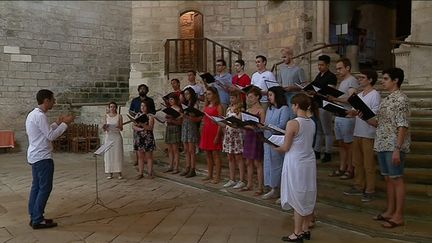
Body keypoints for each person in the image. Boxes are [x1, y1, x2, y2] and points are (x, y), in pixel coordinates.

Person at [366, 68, 410, 229]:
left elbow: (403, 125)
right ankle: (390, 211)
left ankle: (398, 215)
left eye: (385, 78)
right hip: (383, 143)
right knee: (388, 179)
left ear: (395, 80)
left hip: (394, 145)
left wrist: (398, 148)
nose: (382, 81)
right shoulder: (387, 99)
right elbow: (377, 122)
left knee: (397, 179)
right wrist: (362, 115)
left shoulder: (401, 99)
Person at [26, 89, 74, 229]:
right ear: (46, 100)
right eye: (53, 100)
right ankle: (37, 219)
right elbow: (50, 136)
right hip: (42, 157)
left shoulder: (33, 114)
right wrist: (66, 124)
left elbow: (44, 132)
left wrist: (57, 123)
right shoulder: (40, 116)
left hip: (35, 155)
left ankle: (34, 215)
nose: (54, 102)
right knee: (45, 188)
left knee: (36, 187)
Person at [275, 93, 316, 242]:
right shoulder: (311, 122)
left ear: (296, 105)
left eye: (293, 105)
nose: (292, 107)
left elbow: (286, 147)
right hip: (308, 161)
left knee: (297, 194)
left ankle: (297, 232)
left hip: (296, 162)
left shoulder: (293, 123)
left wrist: (272, 145)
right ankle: (305, 228)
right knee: (306, 193)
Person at [343, 70, 380, 202]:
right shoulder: (359, 95)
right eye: (359, 77)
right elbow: (354, 111)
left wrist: (362, 113)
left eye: (362, 77)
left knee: (368, 163)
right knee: (357, 161)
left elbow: (374, 113)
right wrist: (344, 111)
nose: (359, 80)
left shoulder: (375, 94)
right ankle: (359, 185)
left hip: (368, 133)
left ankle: (370, 189)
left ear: (370, 80)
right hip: (357, 132)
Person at [328, 58, 359, 179]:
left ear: (348, 68)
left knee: (349, 145)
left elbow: (351, 98)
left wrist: (334, 99)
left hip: (348, 116)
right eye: (337, 69)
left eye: (340, 68)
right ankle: (342, 167)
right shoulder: (342, 82)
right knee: (341, 144)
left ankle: (350, 169)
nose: (338, 71)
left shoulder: (352, 80)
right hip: (339, 115)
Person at [262, 86, 290, 200]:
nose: (269, 98)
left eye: (271, 95)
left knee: (277, 165)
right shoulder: (270, 109)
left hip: (277, 140)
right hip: (267, 139)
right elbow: (266, 122)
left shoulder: (284, 109)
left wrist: (269, 127)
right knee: (268, 164)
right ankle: (271, 186)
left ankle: (278, 189)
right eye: (268, 95)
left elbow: (282, 125)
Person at [312, 55, 337, 163]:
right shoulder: (319, 75)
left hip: (325, 105)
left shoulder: (331, 76)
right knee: (319, 130)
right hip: (317, 105)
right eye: (318, 65)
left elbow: (330, 92)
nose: (319, 67)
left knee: (327, 131)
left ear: (327, 65)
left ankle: (328, 152)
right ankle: (316, 151)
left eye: (322, 65)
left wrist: (316, 92)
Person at [241, 86, 266, 195]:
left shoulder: (261, 110)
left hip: (256, 137)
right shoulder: (247, 110)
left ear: (257, 97)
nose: (249, 99)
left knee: (258, 162)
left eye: (251, 97)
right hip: (248, 136)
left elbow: (261, 126)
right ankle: (249, 184)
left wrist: (250, 126)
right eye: (248, 97)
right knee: (248, 161)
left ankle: (260, 187)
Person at [200, 87, 224, 184]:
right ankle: (209, 174)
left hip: (214, 131)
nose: (207, 96)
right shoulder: (206, 105)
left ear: (214, 94)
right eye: (206, 94)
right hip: (206, 131)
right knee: (208, 154)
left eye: (209, 94)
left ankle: (217, 176)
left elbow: (220, 122)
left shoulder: (219, 106)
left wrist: (218, 136)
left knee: (216, 155)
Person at [222, 90, 245, 188]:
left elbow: (240, 123)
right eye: (230, 97)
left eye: (232, 97)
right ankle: (232, 179)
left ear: (237, 98)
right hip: (228, 135)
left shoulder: (241, 109)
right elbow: (225, 123)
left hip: (237, 135)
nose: (231, 99)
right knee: (230, 157)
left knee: (238, 158)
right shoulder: (228, 109)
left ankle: (242, 179)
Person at [129, 84, 156, 166]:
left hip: (146, 122)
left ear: (147, 90)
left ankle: (146, 161)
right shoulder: (135, 100)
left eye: (144, 89)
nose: (142, 90)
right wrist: (136, 116)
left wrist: (146, 116)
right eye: (140, 89)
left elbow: (153, 111)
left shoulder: (150, 100)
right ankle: (138, 160)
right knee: (137, 143)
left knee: (147, 146)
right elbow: (130, 110)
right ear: (138, 90)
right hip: (137, 122)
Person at [277, 47, 306, 119]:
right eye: (282, 57)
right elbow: (279, 83)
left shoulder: (298, 69)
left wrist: (293, 88)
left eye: (285, 57)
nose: (283, 59)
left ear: (290, 56)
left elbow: (304, 85)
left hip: (294, 98)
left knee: (293, 117)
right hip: (284, 97)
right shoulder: (281, 70)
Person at [180, 87, 202, 178]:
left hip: (192, 126)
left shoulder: (195, 104)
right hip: (185, 126)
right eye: (185, 94)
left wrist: (190, 115)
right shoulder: (185, 104)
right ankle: (187, 166)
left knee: (191, 150)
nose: (186, 96)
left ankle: (193, 168)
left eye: (188, 94)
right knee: (186, 149)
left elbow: (198, 116)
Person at [132, 100, 156, 179]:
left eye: (144, 106)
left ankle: (149, 173)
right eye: (141, 106)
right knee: (140, 156)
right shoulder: (138, 115)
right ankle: (140, 173)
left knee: (149, 156)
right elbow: (133, 126)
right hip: (139, 137)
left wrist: (141, 124)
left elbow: (150, 128)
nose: (142, 107)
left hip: (148, 137)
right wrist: (141, 129)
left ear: (147, 107)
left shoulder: (150, 116)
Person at [102, 101, 124, 180]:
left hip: (116, 136)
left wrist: (119, 126)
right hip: (109, 136)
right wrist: (105, 126)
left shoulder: (119, 116)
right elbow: (104, 128)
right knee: (109, 154)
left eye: (114, 107)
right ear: (109, 108)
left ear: (116, 108)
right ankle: (110, 172)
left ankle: (119, 172)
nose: (112, 108)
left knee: (117, 154)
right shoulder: (106, 116)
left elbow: (121, 128)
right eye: (111, 107)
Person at [164, 93, 183, 174]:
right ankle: (170, 166)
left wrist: (172, 120)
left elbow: (180, 122)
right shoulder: (169, 109)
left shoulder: (179, 109)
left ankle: (176, 167)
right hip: (169, 128)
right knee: (170, 149)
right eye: (169, 99)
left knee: (175, 149)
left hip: (175, 128)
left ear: (176, 100)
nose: (170, 101)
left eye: (172, 99)